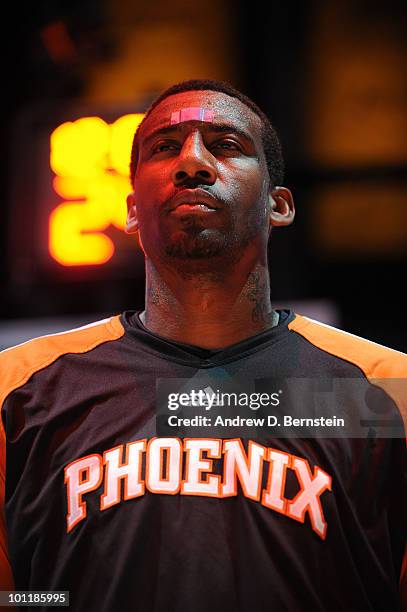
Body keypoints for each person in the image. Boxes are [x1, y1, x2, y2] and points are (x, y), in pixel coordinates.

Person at [1, 79, 406, 611]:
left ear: (278, 205)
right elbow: (16, 596)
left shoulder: (383, 388)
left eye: (226, 145)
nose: (192, 162)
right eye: (165, 148)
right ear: (129, 210)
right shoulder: (20, 385)